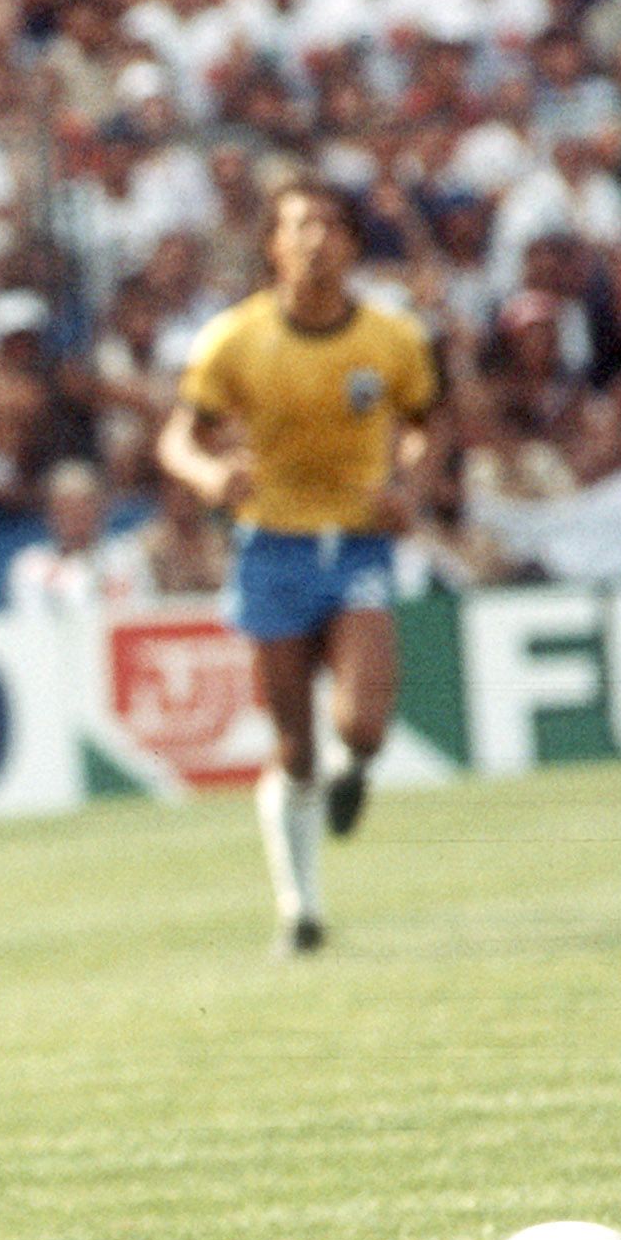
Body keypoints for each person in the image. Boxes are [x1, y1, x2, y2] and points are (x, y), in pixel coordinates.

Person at [156, 180, 440, 954]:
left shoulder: (390, 339)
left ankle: (358, 767)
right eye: (298, 224)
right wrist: (209, 475)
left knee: (362, 721)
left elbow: (426, 426)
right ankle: (300, 909)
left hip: (354, 542)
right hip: (271, 545)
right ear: (272, 245)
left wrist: (410, 487)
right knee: (294, 746)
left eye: (330, 224)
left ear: (352, 243)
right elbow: (177, 439)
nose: (315, 238)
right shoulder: (234, 339)